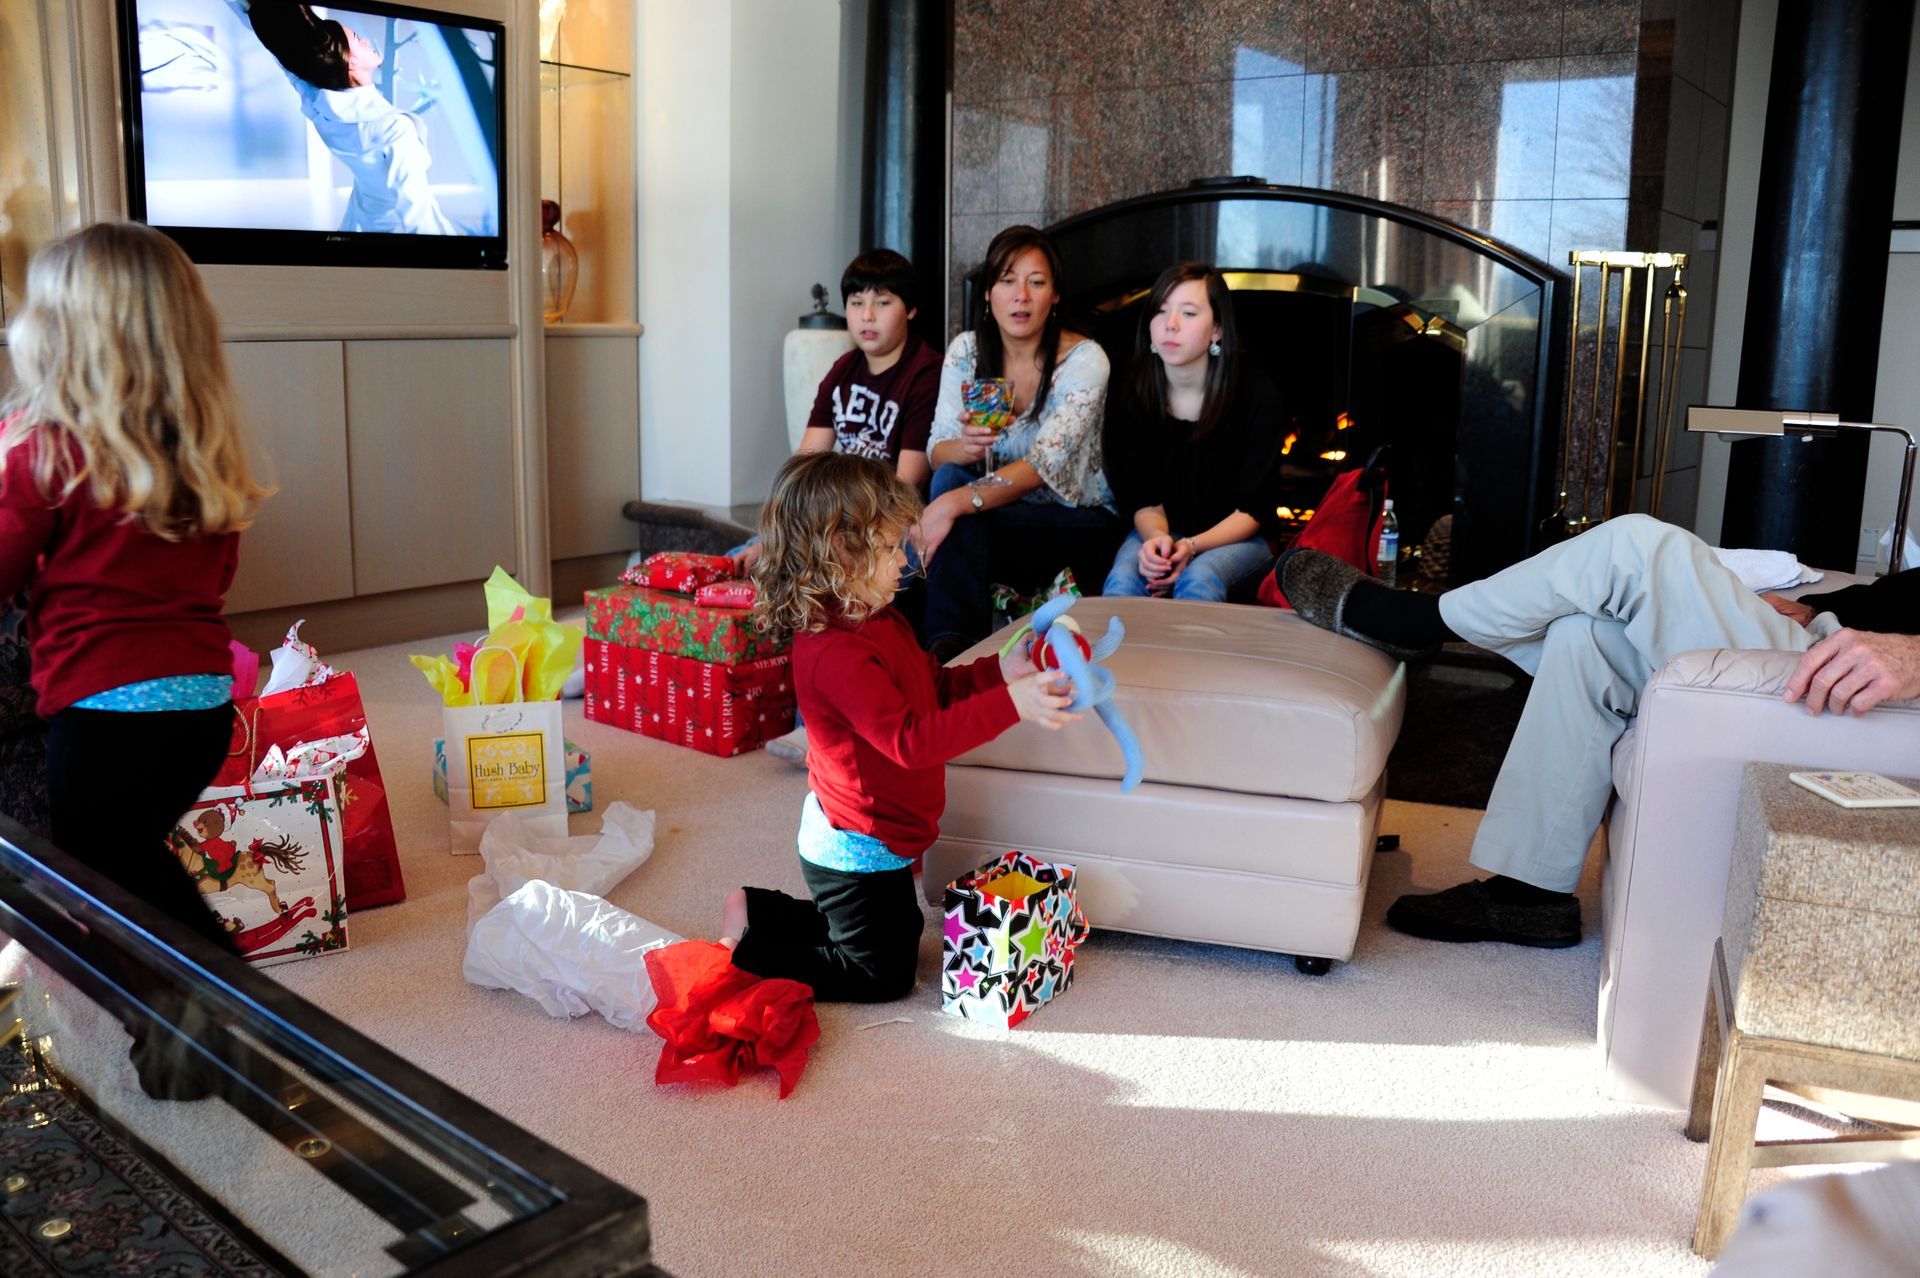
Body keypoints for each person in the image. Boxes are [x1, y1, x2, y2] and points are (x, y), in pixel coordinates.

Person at [1278, 515, 1920, 946]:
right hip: (1837, 643)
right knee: (1584, 636)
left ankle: (1419, 621)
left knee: (1637, 547)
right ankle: (1528, 893)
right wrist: (1819, 607)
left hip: (1873, 698)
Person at [718, 451, 1079, 1001]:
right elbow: (910, 742)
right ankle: (745, 955)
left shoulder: (879, 618)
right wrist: (1013, 706)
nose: (903, 558)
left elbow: (932, 686)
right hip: (854, 846)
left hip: (879, 836)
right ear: (841, 554)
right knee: (882, 976)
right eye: (888, 548)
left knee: (894, 932)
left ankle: (755, 909)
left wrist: (999, 673)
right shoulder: (835, 653)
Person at [0, 221, 269, 950]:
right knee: (129, 868)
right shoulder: (196, 455)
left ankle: (217, 1007)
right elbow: (216, 576)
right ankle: (204, 1000)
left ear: (62, 335)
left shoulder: (44, 447)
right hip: (202, 709)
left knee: (106, 889)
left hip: (107, 716)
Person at [731, 248, 942, 764]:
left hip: (884, 526)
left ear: (911, 309)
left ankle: (814, 724)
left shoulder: (924, 372)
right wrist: (778, 533)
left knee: (822, 572)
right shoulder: (843, 369)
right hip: (831, 515)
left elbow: (905, 483)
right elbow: (806, 461)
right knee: (742, 557)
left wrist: (814, 538)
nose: (867, 315)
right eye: (856, 302)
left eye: (883, 302)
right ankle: (634, 657)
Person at [919, 225, 1123, 659]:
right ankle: (951, 649)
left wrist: (953, 504)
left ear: (1056, 295)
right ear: (988, 293)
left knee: (952, 503)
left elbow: (1041, 467)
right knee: (950, 477)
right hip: (992, 515)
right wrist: (967, 447)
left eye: (1037, 282)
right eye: (1008, 280)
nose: (1021, 296)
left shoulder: (1085, 360)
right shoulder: (967, 352)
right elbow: (937, 450)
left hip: (1073, 518)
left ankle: (952, 650)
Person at [1100, 262, 1284, 601]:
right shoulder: (1132, 396)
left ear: (1217, 330)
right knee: (1124, 581)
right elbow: (1143, 500)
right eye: (1161, 311)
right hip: (1162, 531)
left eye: (1188, 313)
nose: (1170, 324)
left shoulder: (1256, 394)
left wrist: (1192, 546)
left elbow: (1253, 511)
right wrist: (1159, 542)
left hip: (1239, 539)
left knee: (1200, 578)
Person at [229, 1, 462, 235]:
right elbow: (414, 212)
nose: (366, 41)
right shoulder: (393, 128)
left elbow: (287, 62)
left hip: (363, 220)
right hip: (395, 228)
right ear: (350, 62)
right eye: (358, 39)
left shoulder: (321, 107)